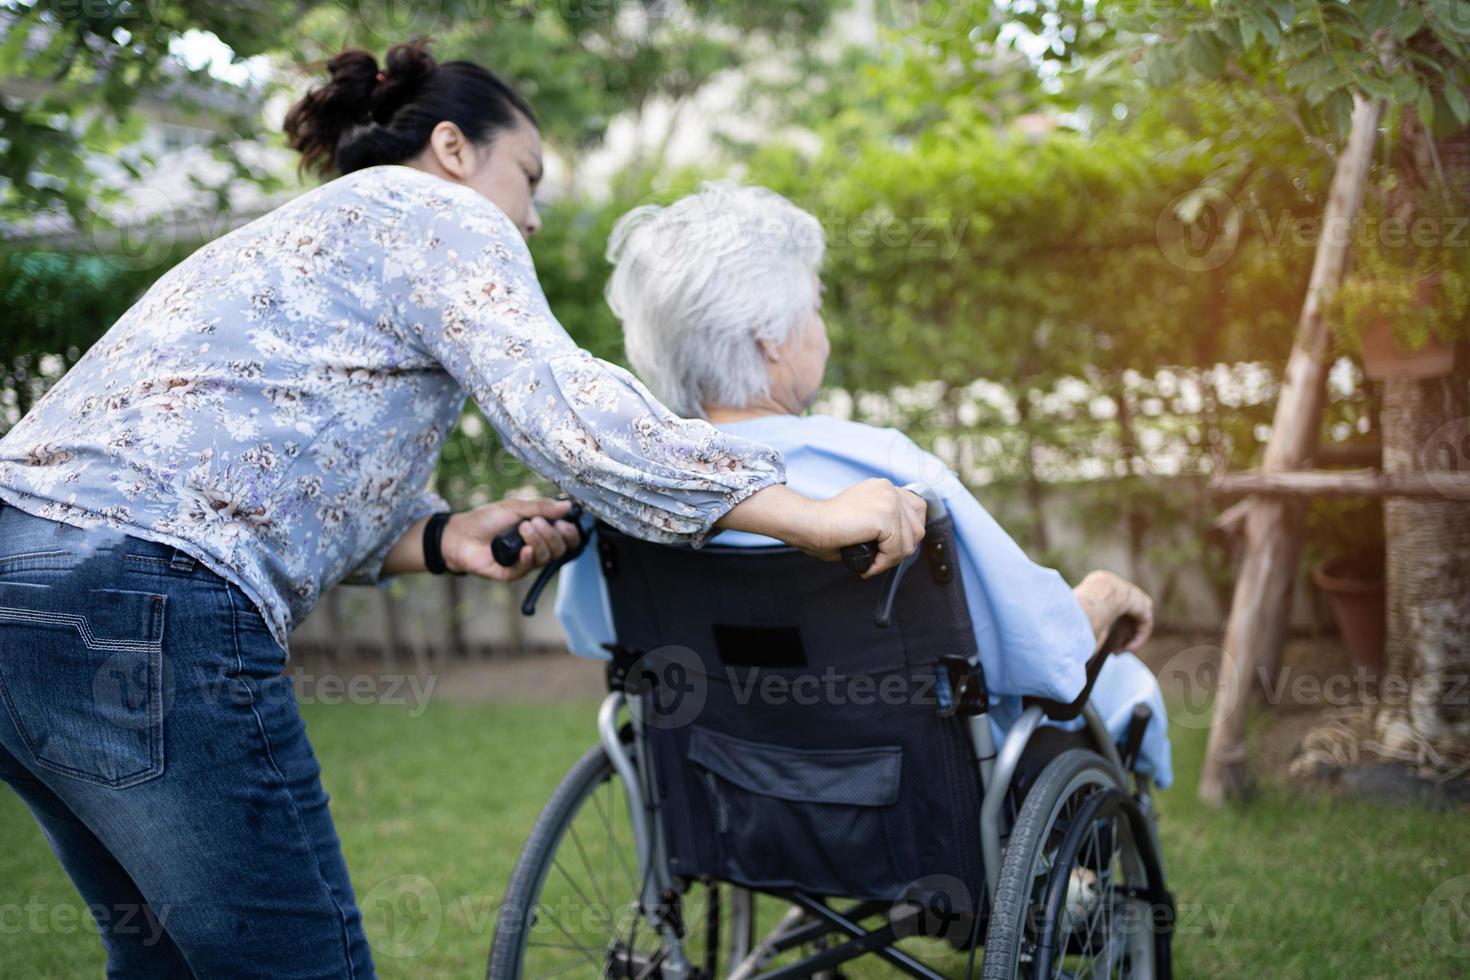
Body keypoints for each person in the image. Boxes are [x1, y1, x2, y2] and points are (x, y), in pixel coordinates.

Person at [0, 44, 926, 978]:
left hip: (21, 587)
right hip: (137, 600)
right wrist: (804, 513)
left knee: (164, 965)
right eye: (525, 177)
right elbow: (568, 413)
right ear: (451, 146)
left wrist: (442, 537)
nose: (526, 218)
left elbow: (252, 478)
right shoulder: (430, 210)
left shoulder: (297, 241)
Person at [555, 181, 1173, 787]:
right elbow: (1043, 651)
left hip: (736, 785)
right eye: (814, 310)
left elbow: (594, 630)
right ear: (772, 339)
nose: (821, 331)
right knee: (1121, 687)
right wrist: (1103, 594)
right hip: (911, 792)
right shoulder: (883, 471)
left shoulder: (636, 489)